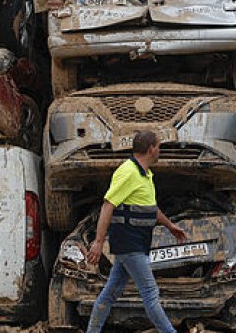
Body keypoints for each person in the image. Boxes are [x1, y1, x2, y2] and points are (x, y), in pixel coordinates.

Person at [85, 130, 187, 333]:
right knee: (150, 293)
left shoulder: (145, 175)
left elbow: (150, 208)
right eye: (159, 146)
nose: (160, 151)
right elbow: (108, 205)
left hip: (136, 244)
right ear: (150, 149)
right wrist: (98, 241)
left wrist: (170, 225)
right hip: (129, 244)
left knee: (110, 294)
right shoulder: (128, 172)